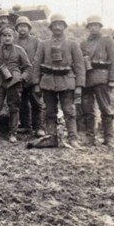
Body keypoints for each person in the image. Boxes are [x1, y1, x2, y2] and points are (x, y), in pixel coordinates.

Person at [31, 14, 85, 148]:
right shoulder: (43, 44)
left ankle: (73, 138)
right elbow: (36, 64)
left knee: (69, 111)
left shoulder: (72, 44)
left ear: (64, 27)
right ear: (51, 27)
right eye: (55, 25)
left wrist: (79, 86)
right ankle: (51, 137)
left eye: (60, 24)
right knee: (49, 112)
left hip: (67, 82)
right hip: (48, 82)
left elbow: (79, 65)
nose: (57, 27)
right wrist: (36, 84)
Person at [80, 15, 114, 147]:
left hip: (102, 78)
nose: (93, 28)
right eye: (91, 25)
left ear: (100, 27)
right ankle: (90, 138)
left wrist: (113, 79)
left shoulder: (107, 41)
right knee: (87, 109)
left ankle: (109, 138)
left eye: (96, 25)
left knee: (105, 108)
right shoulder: (84, 43)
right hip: (87, 80)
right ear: (88, 27)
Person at [14, 16, 45, 136]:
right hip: (19, 76)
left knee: (36, 102)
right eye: (20, 26)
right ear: (17, 28)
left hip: (33, 76)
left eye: (25, 26)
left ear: (29, 28)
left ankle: (39, 127)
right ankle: (26, 125)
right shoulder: (14, 41)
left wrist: (39, 76)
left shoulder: (36, 41)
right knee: (22, 102)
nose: (22, 29)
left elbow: (40, 58)